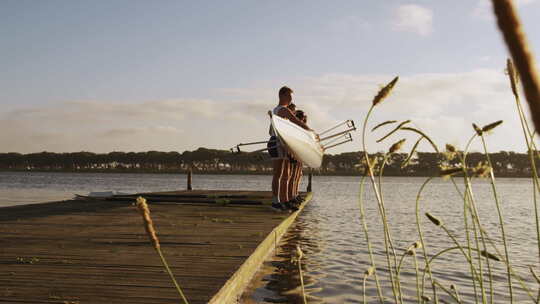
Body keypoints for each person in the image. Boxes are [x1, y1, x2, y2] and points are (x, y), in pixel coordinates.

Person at [268, 86, 310, 211]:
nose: (291, 99)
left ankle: (284, 200)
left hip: (281, 144)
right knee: (279, 174)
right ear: (282, 95)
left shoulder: (277, 110)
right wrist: (310, 131)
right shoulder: (282, 109)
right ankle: (276, 202)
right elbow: (296, 121)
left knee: (284, 174)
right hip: (277, 143)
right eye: (289, 96)